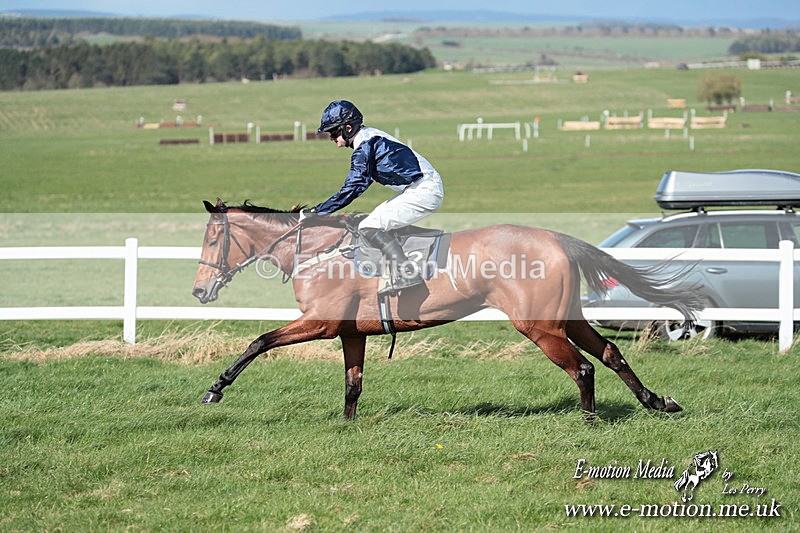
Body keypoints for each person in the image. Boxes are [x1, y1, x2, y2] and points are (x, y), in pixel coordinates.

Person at [304, 100, 444, 296]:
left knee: (369, 226)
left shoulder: (365, 146)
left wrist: (318, 211)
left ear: (348, 128)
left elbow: (353, 188)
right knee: (371, 221)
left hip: (423, 190)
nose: (332, 138)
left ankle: (408, 274)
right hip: (418, 187)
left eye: (334, 132)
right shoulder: (368, 138)